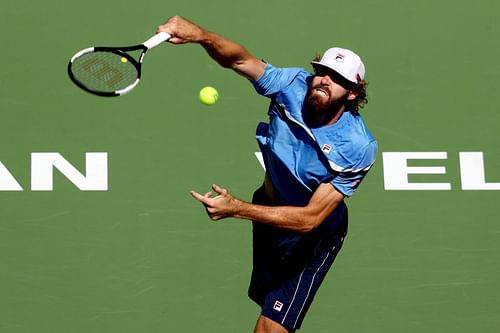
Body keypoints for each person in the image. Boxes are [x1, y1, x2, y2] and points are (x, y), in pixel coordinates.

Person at [157, 16, 378, 333]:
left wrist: (238, 209)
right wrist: (200, 35)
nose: (324, 80)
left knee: (271, 327)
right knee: (265, 303)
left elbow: (309, 219)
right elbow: (239, 59)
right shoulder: (291, 86)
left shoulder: (357, 146)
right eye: (323, 72)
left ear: (353, 93)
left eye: (338, 78)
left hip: (311, 237)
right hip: (269, 215)